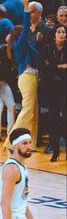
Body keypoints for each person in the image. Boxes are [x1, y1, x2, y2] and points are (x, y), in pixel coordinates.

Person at [4, 0, 39, 152]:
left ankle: (33, 143)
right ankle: (11, 142)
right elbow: (26, 28)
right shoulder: (20, 44)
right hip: (27, 77)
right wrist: (26, 9)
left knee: (34, 113)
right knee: (27, 111)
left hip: (30, 78)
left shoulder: (23, 46)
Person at [40, 24, 67, 161]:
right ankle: (55, 150)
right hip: (51, 88)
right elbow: (44, 68)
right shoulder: (47, 48)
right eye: (59, 32)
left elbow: (49, 66)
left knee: (65, 118)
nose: (61, 34)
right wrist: (60, 66)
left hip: (65, 88)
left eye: (63, 32)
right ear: (54, 34)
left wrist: (52, 66)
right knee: (53, 119)